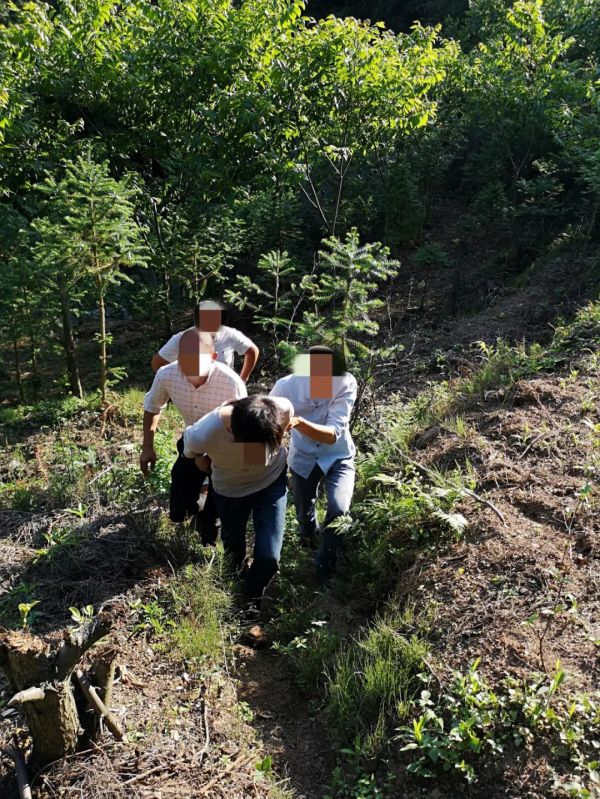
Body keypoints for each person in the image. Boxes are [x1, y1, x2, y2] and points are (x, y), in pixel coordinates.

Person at [182, 395, 294, 613]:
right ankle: (229, 590)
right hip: (230, 490)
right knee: (233, 549)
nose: (262, 453)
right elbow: (192, 454)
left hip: (271, 483)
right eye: (254, 447)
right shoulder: (206, 431)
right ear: (234, 433)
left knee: (269, 557)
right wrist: (205, 462)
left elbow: (288, 421)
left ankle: (248, 597)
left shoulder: (283, 407)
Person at [140, 328, 246, 544]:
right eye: (185, 361)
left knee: (213, 514)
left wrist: (212, 460)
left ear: (214, 357)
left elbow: (243, 429)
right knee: (180, 504)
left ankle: (207, 538)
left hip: (224, 447)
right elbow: (152, 407)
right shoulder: (167, 374)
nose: (190, 369)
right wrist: (147, 447)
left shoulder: (231, 382)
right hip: (191, 440)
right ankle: (196, 504)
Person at [269, 345, 357, 585]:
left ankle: (325, 566)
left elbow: (332, 434)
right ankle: (309, 536)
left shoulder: (346, 383)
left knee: (339, 509)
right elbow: (268, 420)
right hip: (303, 457)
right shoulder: (285, 386)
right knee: (303, 510)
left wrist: (297, 422)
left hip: (338, 456)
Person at [151, 300, 260, 382]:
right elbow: (157, 362)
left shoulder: (229, 334)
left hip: (224, 391)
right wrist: (173, 383)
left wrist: (243, 379)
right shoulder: (183, 338)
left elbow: (252, 351)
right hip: (193, 393)